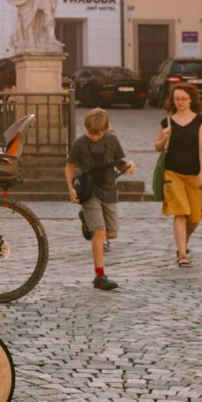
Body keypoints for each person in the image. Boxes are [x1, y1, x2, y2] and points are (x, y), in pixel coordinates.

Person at [66, 108, 135, 292]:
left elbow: (119, 162)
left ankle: (87, 222)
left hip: (109, 189)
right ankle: (99, 275)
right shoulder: (80, 143)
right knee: (100, 231)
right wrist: (70, 188)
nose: (95, 137)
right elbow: (70, 166)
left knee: (111, 234)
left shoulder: (112, 141)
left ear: (105, 129)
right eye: (91, 133)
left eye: (98, 134)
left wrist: (128, 166)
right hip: (89, 191)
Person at [154, 84, 202, 268]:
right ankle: (182, 255)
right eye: (177, 99)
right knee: (180, 213)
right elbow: (157, 147)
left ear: (191, 99)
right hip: (172, 172)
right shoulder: (166, 122)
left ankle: (182, 242)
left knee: (194, 218)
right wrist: (164, 136)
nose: (180, 102)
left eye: (183, 99)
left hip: (195, 173)